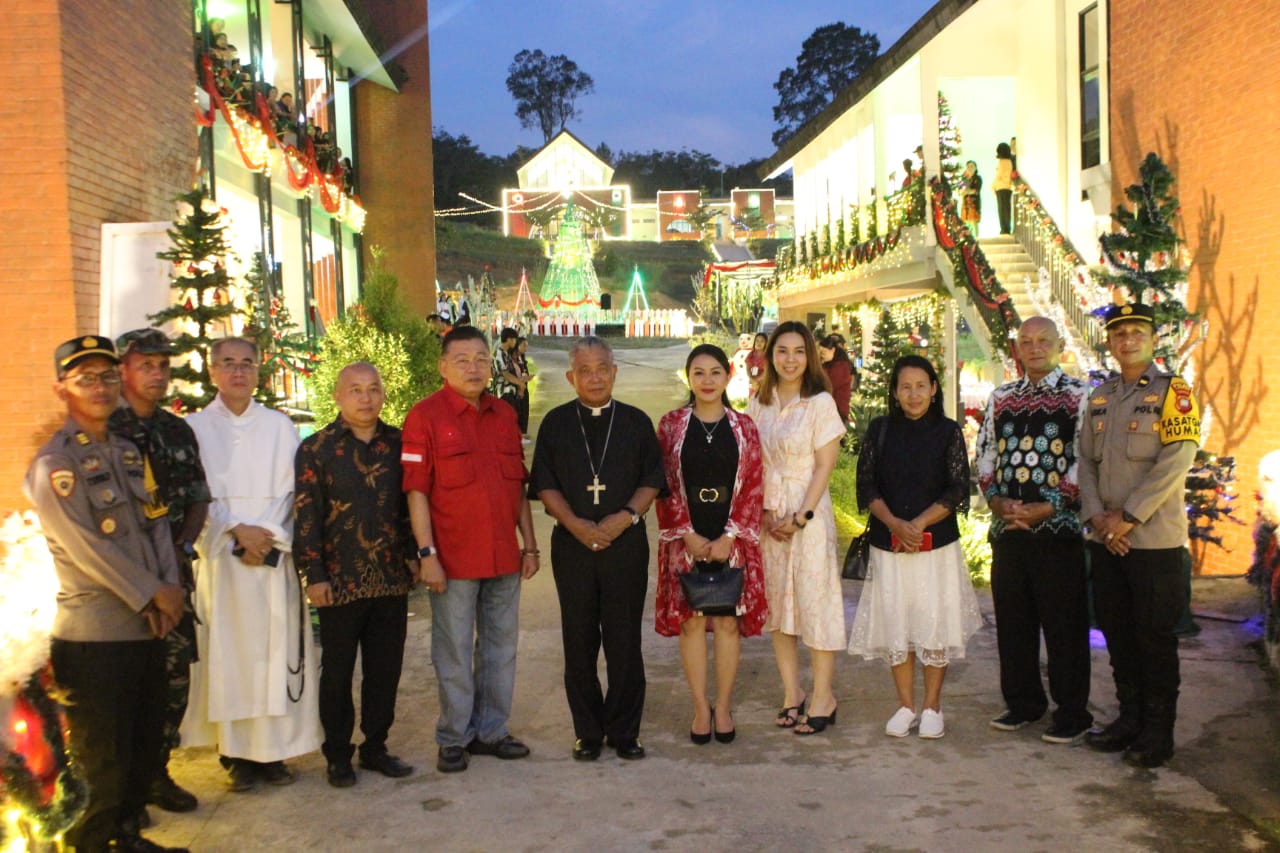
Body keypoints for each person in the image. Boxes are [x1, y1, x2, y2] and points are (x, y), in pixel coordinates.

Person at [28, 335, 187, 853]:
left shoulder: (126, 450)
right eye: (85, 379)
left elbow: (157, 522)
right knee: (102, 760)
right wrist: (152, 593)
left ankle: (125, 836)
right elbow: (87, 547)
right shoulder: (55, 466)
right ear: (62, 389)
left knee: (142, 745)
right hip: (95, 638)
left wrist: (171, 587)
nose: (100, 387)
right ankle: (92, 843)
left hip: (146, 627)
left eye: (106, 376)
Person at [183, 337, 321, 791]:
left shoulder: (279, 426)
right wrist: (235, 533)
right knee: (231, 658)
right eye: (228, 364)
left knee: (272, 653)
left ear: (259, 371)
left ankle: (272, 754)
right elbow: (195, 497)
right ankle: (236, 756)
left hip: (270, 560)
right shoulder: (194, 429)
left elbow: (290, 494)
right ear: (212, 371)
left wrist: (266, 537)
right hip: (222, 562)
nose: (238, 372)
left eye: (247, 364)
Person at [401, 326, 540, 774]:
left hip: (503, 556)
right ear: (443, 367)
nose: (474, 367)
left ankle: (492, 731)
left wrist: (531, 545)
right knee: (455, 650)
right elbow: (416, 492)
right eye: (462, 359)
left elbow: (517, 485)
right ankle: (454, 736)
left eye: (481, 358)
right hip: (453, 560)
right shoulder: (424, 417)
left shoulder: (504, 415)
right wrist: (427, 555)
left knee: (501, 648)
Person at [529, 337, 665, 760]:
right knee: (579, 638)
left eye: (601, 368)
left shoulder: (637, 422)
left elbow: (652, 480)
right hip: (572, 547)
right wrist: (575, 524)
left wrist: (622, 518)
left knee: (625, 639)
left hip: (625, 546)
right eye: (584, 370)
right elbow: (545, 484)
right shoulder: (554, 423)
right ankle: (588, 731)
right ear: (571, 377)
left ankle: (625, 731)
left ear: (614, 371)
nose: (594, 377)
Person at [1079, 303, 1200, 768]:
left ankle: (1157, 732)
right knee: (1117, 634)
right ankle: (1128, 719)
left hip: (1153, 542)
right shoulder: (1101, 396)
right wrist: (1097, 520)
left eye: (1136, 332)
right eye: (1119, 333)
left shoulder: (1174, 392)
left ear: (1152, 339)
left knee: (1153, 638)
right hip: (1107, 541)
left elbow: (1178, 458)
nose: (1127, 340)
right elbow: (1085, 463)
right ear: (1110, 342)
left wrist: (1126, 518)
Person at [294, 362, 417, 788]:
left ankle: (376, 746)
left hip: (390, 577)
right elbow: (306, 515)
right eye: (356, 390)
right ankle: (338, 754)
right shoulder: (317, 449)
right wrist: (314, 573)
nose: (366, 399)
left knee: (385, 670)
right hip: (339, 581)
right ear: (338, 396)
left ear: (383, 394)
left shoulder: (401, 443)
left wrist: (415, 556)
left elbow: (408, 508)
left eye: (373, 390)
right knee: (338, 672)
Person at [848, 354, 981, 739]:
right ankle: (905, 706)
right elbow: (866, 485)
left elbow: (958, 487)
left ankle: (933, 707)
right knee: (898, 625)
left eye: (921, 386)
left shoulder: (948, 431)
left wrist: (919, 524)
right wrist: (893, 523)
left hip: (935, 546)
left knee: (933, 622)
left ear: (934, 388)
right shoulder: (880, 430)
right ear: (894, 391)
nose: (913, 394)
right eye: (905, 386)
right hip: (889, 545)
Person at [975, 318, 1093, 743]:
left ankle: (1073, 712)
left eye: (1043, 341)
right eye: (1026, 341)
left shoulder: (1080, 396)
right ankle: (1023, 703)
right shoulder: (1001, 398)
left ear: (1059, 345)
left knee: (1064, 626)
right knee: (1014, 623)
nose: (1035, 347)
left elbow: (1085, 459)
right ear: (1017, 349)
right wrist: (996, 501)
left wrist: (1050, 505)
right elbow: (985, 453)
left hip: (1058, 532)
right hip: (1010, 532)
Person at [109, 329, 211, 819]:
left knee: (173, 680)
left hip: (173, 578)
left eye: (163, 365)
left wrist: (184, 546)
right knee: (124, 684)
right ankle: (123, 789)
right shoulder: (104, 430)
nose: (156, 373)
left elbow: (197, 497)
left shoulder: (177, 431)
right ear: (123, 369)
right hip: (119, 587)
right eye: (145, 364)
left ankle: (156, 773)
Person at [654, 345, 768, 745]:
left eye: (715, 372)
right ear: (688, 377)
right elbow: (663, 483)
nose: (706, 380)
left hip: (730, 539)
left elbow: (754, 483)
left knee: (726, 623)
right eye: (698, 372)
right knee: (691, 622)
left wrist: (730, 535)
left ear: (728, 376)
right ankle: (700, 706)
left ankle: (723, 706)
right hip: (686, 537)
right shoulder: (670, 425)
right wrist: (686, 533)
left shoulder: (744, 427)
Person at [746, 322, 846, 736]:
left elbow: (825, 464)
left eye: (798, 351)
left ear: (810, 357)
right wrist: (766, 513)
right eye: (781, 351)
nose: (789, 360)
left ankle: (823, 695)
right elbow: (753, 460)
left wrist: (801, 516)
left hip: (808, 515)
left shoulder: (820, 403)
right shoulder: (759, 401)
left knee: (814, 603)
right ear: (770, 356)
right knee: (777, 608)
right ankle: (792, 693)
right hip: (770, 516)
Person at [818, 334, 854, 426]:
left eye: (824, 352)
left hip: (837, 409)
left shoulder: (840, 366)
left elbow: (829, 385)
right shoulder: (829, 365)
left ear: (833, 350)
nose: (822, 355)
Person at [514, 336, 534, 439]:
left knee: (525, 411)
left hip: (524, 387)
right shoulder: (512, 359)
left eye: (527, 345)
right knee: (518, 412)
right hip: (516, 389)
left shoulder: (522, 358)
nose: (526, 348)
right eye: (524, 345)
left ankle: (523, 433)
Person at [993, 142, 1015, 235]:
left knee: (1003, 210)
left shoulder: (1004, 162)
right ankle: (1005, 228)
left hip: (1002, 187)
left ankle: (1005, 229)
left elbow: (1002, 176)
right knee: (1004, 209)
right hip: (1004, 187)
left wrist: (994, 185)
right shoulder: (1008, 161)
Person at [960, 160, 982, 237]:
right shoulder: (964, 179)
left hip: (974, 203)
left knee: (973, 221)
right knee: (965, 222)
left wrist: (967, 192)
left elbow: (976, 190)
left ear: (975, 168)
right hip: (965, 203)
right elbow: (960, 190)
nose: (970, 168)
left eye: (972, 166)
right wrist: (962, 192)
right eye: (968, 166)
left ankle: (976, 238)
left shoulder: (978, 178)